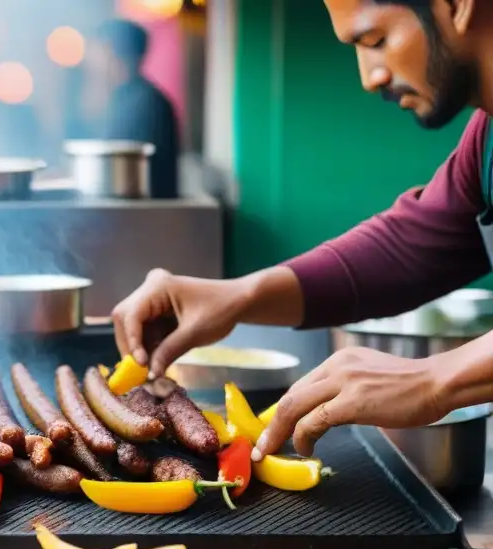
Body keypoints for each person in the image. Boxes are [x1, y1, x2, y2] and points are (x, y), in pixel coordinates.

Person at [111, 0, 493, 463]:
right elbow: (413, 246)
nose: (370, 77)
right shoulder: (485, 137)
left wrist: (436, 378)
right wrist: (240, 296)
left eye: (375, 41)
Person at [70, 19, 179, 199]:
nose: (88, 60)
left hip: (146, 215)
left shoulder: (144, 103)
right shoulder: (128, 97)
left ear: (110, 50)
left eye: (94, 49)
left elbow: (116, 170)